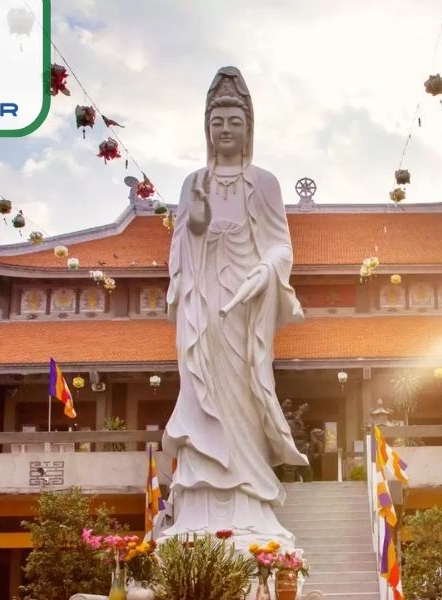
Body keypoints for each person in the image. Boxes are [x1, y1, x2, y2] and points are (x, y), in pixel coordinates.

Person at [161, 67, 306, 552]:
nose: (225, 130)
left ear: (249, 128)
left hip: (244, 308)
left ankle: (250, 499)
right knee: (202, 393)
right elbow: (183, 244)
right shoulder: (191, 183)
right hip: (202, 309)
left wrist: (264, 273)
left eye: (234, 122)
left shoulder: (263, 183)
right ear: (207, 128)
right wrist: (198, 218)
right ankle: (197, 501)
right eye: (217, 121)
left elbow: (280, 247)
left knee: (243, 395)